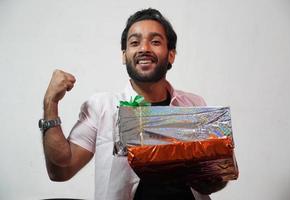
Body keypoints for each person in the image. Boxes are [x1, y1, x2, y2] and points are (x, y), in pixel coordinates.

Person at [40, 8, 227, 200]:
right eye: (135, 42)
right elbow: (61, 170)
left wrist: (216, 171)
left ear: (171, 54)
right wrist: (50, 102)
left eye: (155, 42)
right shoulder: (102, 106)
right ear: (124, 55)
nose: (144, 48)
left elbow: (214, 180)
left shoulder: (194, 104)